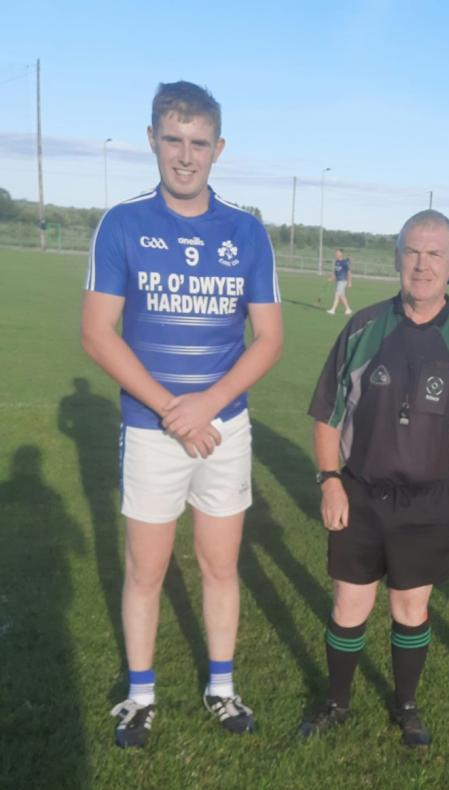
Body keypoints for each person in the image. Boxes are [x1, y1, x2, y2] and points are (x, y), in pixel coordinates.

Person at [81, 80, 283, 748]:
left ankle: (221, 687)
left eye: (199, 143)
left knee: (219, 564)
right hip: (152, 429)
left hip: (223, 428)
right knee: (146, 568)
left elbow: (270, 339)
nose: (185, 156)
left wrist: (207, 405)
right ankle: (140, 695)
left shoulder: (246, 231)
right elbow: (98, 333)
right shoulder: (123, 223)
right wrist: (173, 408)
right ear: (152, 140)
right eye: (173, 140)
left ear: (218, 148)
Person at [302, 210, 449, 745]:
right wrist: (329, 482)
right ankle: (336, 701)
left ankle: (407, 704)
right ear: (397, 259)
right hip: (362, 495)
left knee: (411, 608)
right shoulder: (364, 327)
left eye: (435, 254)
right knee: (350, 604)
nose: (422, 265)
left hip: (431, 502)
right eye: (413, 252)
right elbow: (328, 415)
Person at [327, 249, 353, 315]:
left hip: (343, 281)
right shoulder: (336, 262)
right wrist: (332, 278)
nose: (336, 254)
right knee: (342, 296)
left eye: (337, 253)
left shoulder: (344, 262)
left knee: (337, 294)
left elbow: (349, 273)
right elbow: (336, 272)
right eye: (336, 253)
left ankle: (333, 310)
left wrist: (350, 282)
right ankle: (348, 309)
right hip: (338, 281)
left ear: (341, 254)